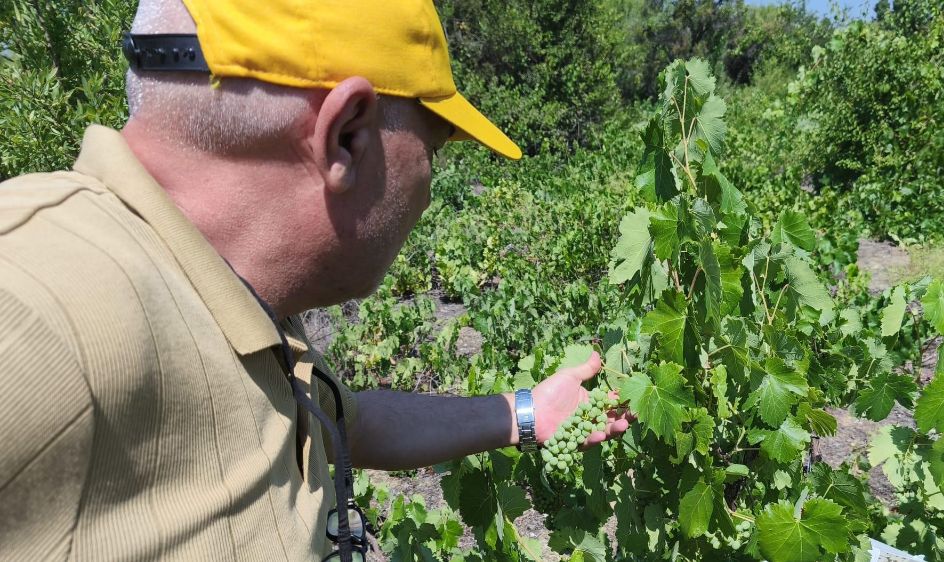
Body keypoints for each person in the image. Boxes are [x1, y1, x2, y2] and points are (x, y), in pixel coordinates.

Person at [0, 0, 632, 560]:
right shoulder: (35, 307)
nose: (429, 188)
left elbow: (343, 425)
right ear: (348, 136)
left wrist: (524, 413)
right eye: (433, 152)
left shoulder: (229, 293)